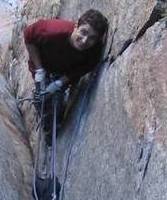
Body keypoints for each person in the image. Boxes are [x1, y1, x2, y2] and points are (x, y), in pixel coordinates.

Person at [23, 9, 108, 138]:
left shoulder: (95, 50)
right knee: (43, 99)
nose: (85, 41)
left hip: (66, 71)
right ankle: (48, 129)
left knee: (54, 97)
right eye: (83, 32)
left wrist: (59, 83)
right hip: (44, 65)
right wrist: (39, 70)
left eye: (92, 38)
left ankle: (58, 110)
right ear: (76, 26)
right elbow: (29, 36)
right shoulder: (52, 30)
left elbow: (84, 68)